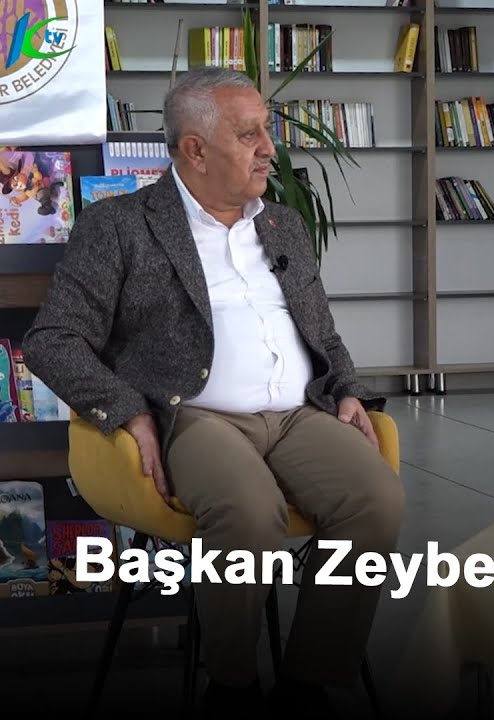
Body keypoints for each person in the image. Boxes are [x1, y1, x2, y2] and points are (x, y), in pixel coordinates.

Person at [22, 66, 405, 714]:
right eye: (249, 134)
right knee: (249, 512)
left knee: (377, 501)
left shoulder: (282, 224)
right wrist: (128, 412)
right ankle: (231, 688)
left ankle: (306, 683)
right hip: (195, 416)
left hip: (297, 415)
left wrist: (345, 389)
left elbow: (322, 332)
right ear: (195, 150)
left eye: (266, 131)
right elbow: (52, 338)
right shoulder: (120, 226)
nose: (269, 149)